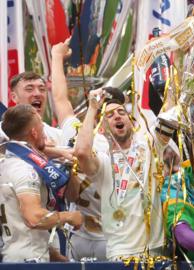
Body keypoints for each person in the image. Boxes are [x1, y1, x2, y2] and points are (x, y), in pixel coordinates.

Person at [74, 89, 170, 260]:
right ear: (102, 129)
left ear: (131, 122)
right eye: (109, 115)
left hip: (155, 251)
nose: (117, 116)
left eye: (121, 112)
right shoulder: (103, 162)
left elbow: (169, 114)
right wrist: (92, 108)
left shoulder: (150, 148)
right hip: (121, 253)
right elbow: (81, 152)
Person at [0, 104, 83, 262]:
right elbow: (33, 218)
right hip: (29, 260)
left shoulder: (8, 163)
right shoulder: (24, 169)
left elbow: (21, 223)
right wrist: (69, 216)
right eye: (42, 128)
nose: (45, 134)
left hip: (16, 255)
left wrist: (54, 256)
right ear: (34, 132)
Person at [50, 39, 108, 260]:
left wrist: (56, 57)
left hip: (109, 235)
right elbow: (60, 98)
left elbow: (60, 99)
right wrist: (56, 57)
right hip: (79, 233)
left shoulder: (124, 144)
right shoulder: (74, 131)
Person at [0, 72, 62, 145]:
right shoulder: (2, 131)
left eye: (42, 89)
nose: (37, 94)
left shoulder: (58, 135)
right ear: (14, 97)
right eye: (29, 89)